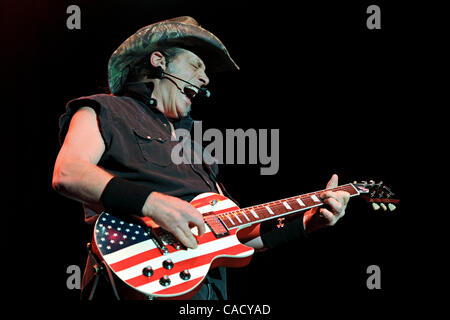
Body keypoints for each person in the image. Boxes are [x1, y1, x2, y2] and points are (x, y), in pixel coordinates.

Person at [52, 16, 350, 300]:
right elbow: (68, 173)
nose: (205, 78)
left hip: (204, 293)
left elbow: (237, 235)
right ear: (159, 62)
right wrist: (153, 203)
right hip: (133, 279)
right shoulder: (104, 109)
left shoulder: (198, 148)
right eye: (195, 65)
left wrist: (308, 222)